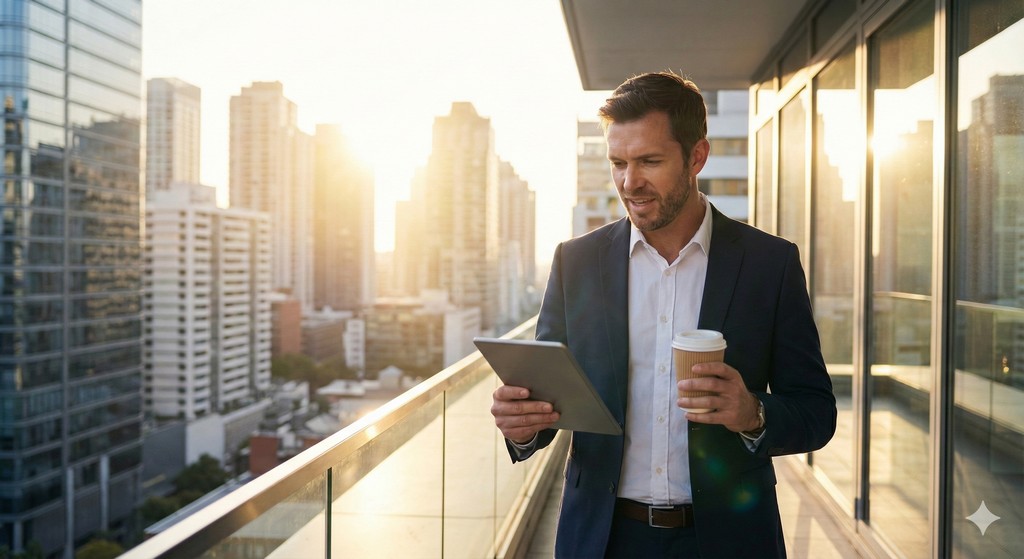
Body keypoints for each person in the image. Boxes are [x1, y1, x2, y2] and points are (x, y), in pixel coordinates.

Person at [490, 71, 836, 559]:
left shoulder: (769, 264)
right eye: (618, 163)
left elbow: (816, 413)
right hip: (603, 539)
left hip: (728, 540)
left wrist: (751, 413)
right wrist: (524, 427)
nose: (630, 182)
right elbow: (550, 402)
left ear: (697, 157)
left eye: (649, 161)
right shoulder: (577, 262)